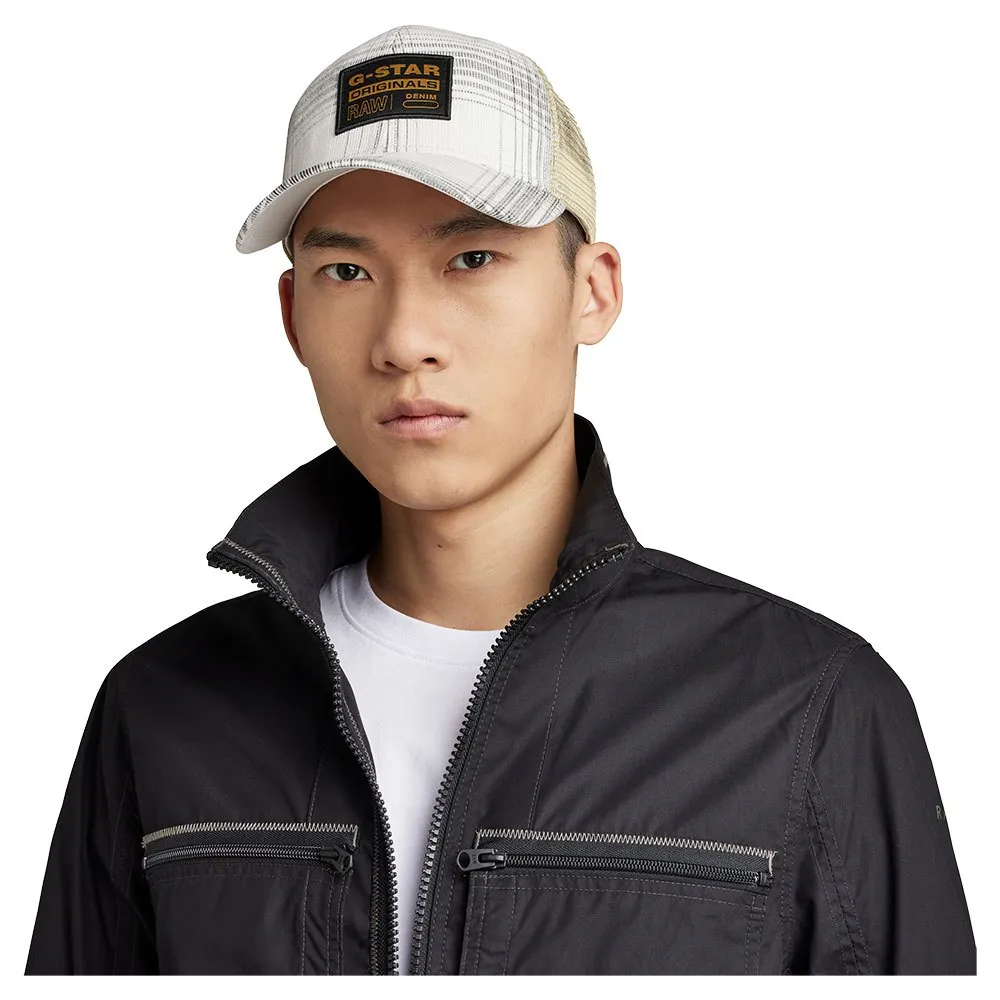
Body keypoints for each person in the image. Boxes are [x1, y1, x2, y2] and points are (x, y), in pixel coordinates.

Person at [25, 23, 975, 976]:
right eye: (346, 272)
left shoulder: (805, 705)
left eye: (472, 258)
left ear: (592, 292)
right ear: (291, 317)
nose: (404, 339)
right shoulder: (163, 705)